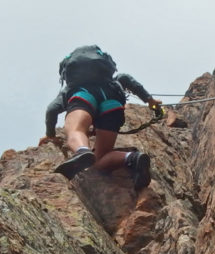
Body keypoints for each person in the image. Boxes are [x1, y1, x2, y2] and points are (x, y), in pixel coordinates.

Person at [43, 46, 162, 190]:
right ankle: (133, 158)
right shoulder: (115, 82)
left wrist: (50, 135)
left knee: (76, 130)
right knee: (101, 157)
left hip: (84, 96)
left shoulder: (71, 89)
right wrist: (152, 103)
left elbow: (51, 110)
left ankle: (82, 151)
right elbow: (128, 79)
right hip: (112, 104)